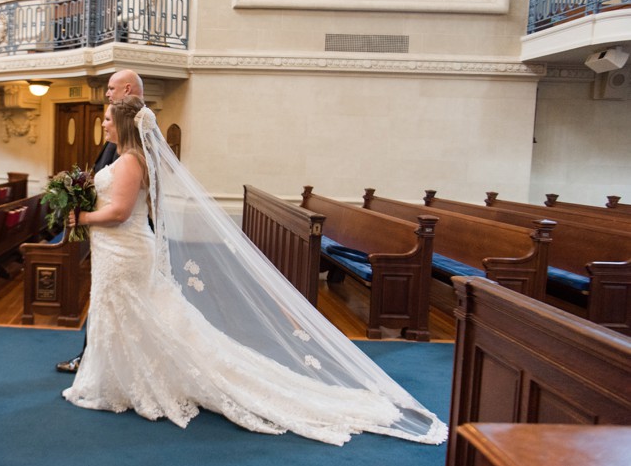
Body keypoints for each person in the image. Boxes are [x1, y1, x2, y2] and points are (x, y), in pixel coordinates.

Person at [61, 96, 448, 446]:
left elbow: (120, 212)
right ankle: (124, 379)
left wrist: (83, 216)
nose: (104, 124)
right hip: (117, 250)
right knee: (132, 316)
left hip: (125, 250)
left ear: (124, 124)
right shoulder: (127, 159)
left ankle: (141, 381)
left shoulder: (129, 163)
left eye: (108, 119)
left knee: (135, 313)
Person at [55, 69, 145, 373]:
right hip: (111, 238)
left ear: (128, 90)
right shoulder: (125, 142)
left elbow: (122, 207)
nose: (107, 94)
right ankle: (105, 362)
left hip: (123, 238)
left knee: (119, 304)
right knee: (110, 304)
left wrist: (83, 215)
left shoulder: (137, 142)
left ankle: (103, 363)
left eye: (111, 88)